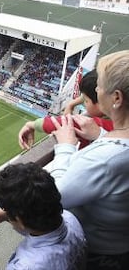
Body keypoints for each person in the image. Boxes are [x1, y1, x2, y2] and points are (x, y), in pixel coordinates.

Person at [47, 50, 129, 269]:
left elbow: (55, 197)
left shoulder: (107, 158)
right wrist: (101, 135)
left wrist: (65, 146)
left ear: (117, 98)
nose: (97, 90)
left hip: (101, 255)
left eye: (100, 86)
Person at [0, 162, 86, 270]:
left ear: (19, 220)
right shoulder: (70, 219)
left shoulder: (27, 266)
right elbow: (42, 227)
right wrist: (8, 215)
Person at [18, 69, 113, 150]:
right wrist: (72, 104)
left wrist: (30, 124)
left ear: (102, 102)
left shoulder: (98, 124)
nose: (84, 103)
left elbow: (59, 122)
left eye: (86, 101)